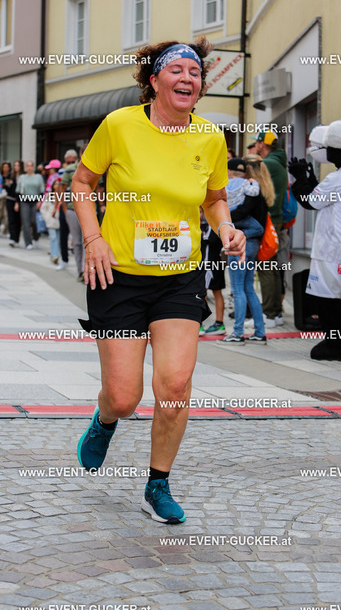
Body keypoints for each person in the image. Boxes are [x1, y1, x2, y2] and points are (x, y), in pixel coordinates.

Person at [72, 37, 245, 524]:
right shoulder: (120, 125)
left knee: (175, 384)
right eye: (177, 70)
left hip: (179, 277)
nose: (188, 78)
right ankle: (105, 418)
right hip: (118, 275)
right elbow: (82, 182)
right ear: (154, 81)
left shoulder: (210, 138)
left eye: (196, 72)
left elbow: (214, 198)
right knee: (124, 397)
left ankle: (158, 484)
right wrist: (92, 238)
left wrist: (226, 228)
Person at [217, 157, 269, 345]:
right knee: (248, 288)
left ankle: (238, 333)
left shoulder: (239, 189)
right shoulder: (256, 189)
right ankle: (259, 332)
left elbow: (237, 213)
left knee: (238, 289)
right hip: (254, 243)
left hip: (241, 243)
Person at [253, 130, 288, 327]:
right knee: (272, 267)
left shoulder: (268, 163)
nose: (255, 146)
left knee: (265, 267)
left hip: (267, 220)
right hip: (275, 220)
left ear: (262, 144)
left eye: (257, 143)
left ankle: (268, 314)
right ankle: (275, 313)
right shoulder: (278, 162)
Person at [199, 207, 226, 335]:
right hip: (209, 263)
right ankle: (210, 324)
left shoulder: (213, 224)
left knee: (205, 292)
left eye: (200, 211)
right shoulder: (203, 225)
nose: (198, 214)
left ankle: (214, 324)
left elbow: (209, 239)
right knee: (207, 292)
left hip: (211, 264)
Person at [61, 149, 84, 281]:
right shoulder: (69, 170)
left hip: (89, 209)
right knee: (77, 242)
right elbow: (63, 189)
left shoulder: (95, 168)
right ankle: (80, 270)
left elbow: (99, 189)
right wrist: (65, 209)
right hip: (72, 209)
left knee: (87, 241)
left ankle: (86, 270)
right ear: (80, 154)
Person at [16, 161, 45, 249]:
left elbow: (41, 190)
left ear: (33, 167)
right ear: (25, 167)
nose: (29, 168)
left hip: (35, 200)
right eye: (27, 166)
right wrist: (17, 203)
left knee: (34, 221)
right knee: (26, 222)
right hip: (24, 200)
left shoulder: (38, 177)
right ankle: (28, 242)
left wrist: (40, 201)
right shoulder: (22, 177)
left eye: (30, 166)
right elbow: (18, 191)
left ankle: (36, 237)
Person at [40, 179, 61, 264]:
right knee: (53, 237)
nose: (57, 186)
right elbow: (43, 208)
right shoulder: (49, 196)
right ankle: (55, 255)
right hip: (51, 220)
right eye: (55, 184)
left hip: (60, 221)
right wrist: (47, 217)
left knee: (58, 239)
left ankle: (55, 253)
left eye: (58, 184)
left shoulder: (64, 196)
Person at [5, 160, 24, 246]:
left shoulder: (23, 176)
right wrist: (8, 184)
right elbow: (6, 186)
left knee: (18, 220)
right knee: (11, 219)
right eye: (15, 165)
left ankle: (16, 239)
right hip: (10, 199)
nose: (16, 167)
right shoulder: (10, 175)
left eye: (17, 165)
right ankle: (12, 238)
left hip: (20, 199)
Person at [0, 162, 11, 236]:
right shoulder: (0, 176)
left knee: (6, 214)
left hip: (7, 197)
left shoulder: (10, 175)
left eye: (7, 167)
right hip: (0, 197)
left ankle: (6, 231)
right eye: (4, 167)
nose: (5, 169)